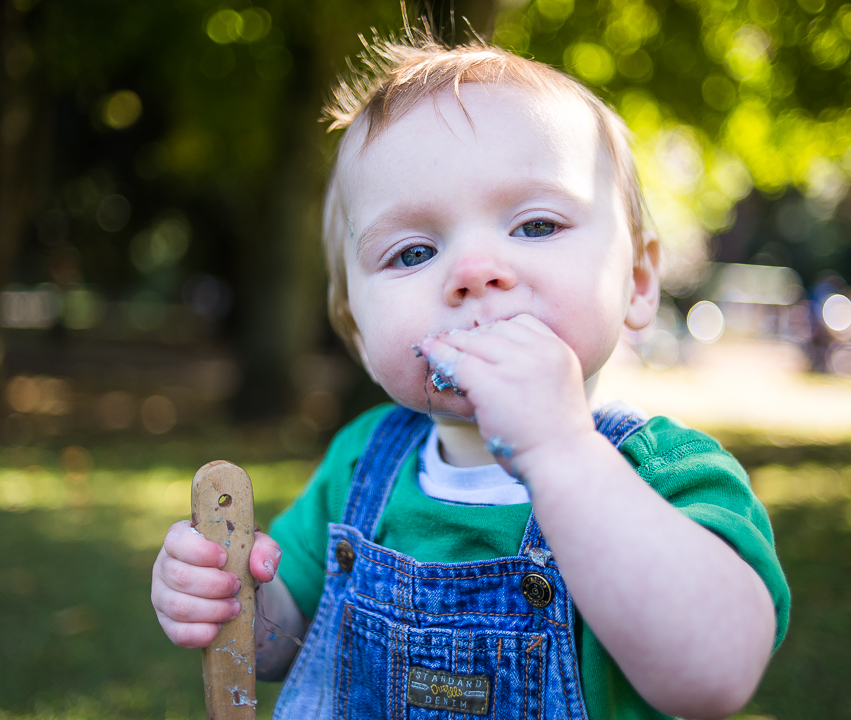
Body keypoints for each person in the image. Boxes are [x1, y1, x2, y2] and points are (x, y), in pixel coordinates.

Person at [151, 31, 790, 720]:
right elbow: (284, 644)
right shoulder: (361, 464)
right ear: (360, 334)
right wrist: (228, 603)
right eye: (414, 251)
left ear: (636, 282)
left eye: (536, 225)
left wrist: (561, 452)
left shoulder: (667, 477)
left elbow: (716, 675)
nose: (473, 271)